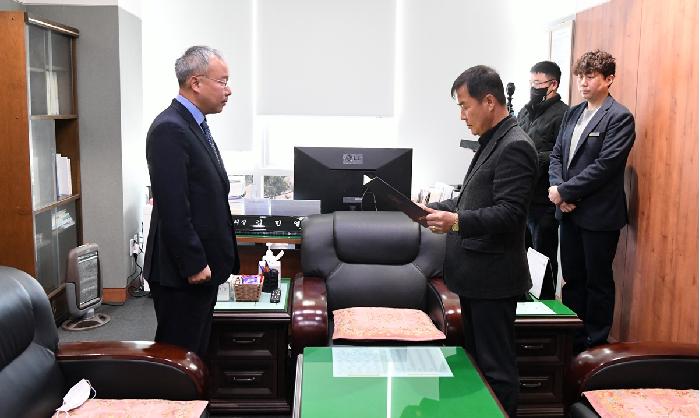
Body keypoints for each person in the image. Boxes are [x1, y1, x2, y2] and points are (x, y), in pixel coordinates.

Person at [423, 65, 537, 417]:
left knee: (497, 370)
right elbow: (470, 199)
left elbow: (509, 214)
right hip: (475, 278)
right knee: (477, 367)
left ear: (489, 101)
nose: (462, 116)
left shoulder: (515, 145)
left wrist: (455, 222)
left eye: (464, 106)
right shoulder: (492, 141)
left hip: (494, 280)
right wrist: (427, 208)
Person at [144, 46, 239, 359]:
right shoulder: (169, 129)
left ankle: (195, 406)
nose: (229, 90)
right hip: (182, 272)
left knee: (196, 353)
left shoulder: (194, 123)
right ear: (196, 83)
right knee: (178, 357)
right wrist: (194, 262)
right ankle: (174, 409)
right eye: (222, 82)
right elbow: (172, 206)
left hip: (200, 268)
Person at [548, 50, 635, 352]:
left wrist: (566, 192)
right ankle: (571, 340)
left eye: (591, 76)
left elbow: (605, 166)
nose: (583, 82)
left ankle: (595, 344)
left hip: (599, 215)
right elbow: (557, 154)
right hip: (568, 212)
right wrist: (557, 188)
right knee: (572, 279)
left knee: (597, 282)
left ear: (609, 79)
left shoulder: (620, 117)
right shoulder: (573, 113)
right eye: (581, 76)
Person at [517, 61, 569, 299]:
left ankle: (545, 309)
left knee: (543, 257)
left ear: (553, 84)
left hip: (545, 201)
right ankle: (524, 303)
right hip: (523, 197)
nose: (533, 88)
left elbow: (563, 154)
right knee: (522, 255)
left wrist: (532, 158)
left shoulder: (564, 115)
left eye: (538, 84)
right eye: (531, 83)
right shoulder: (525, 111)